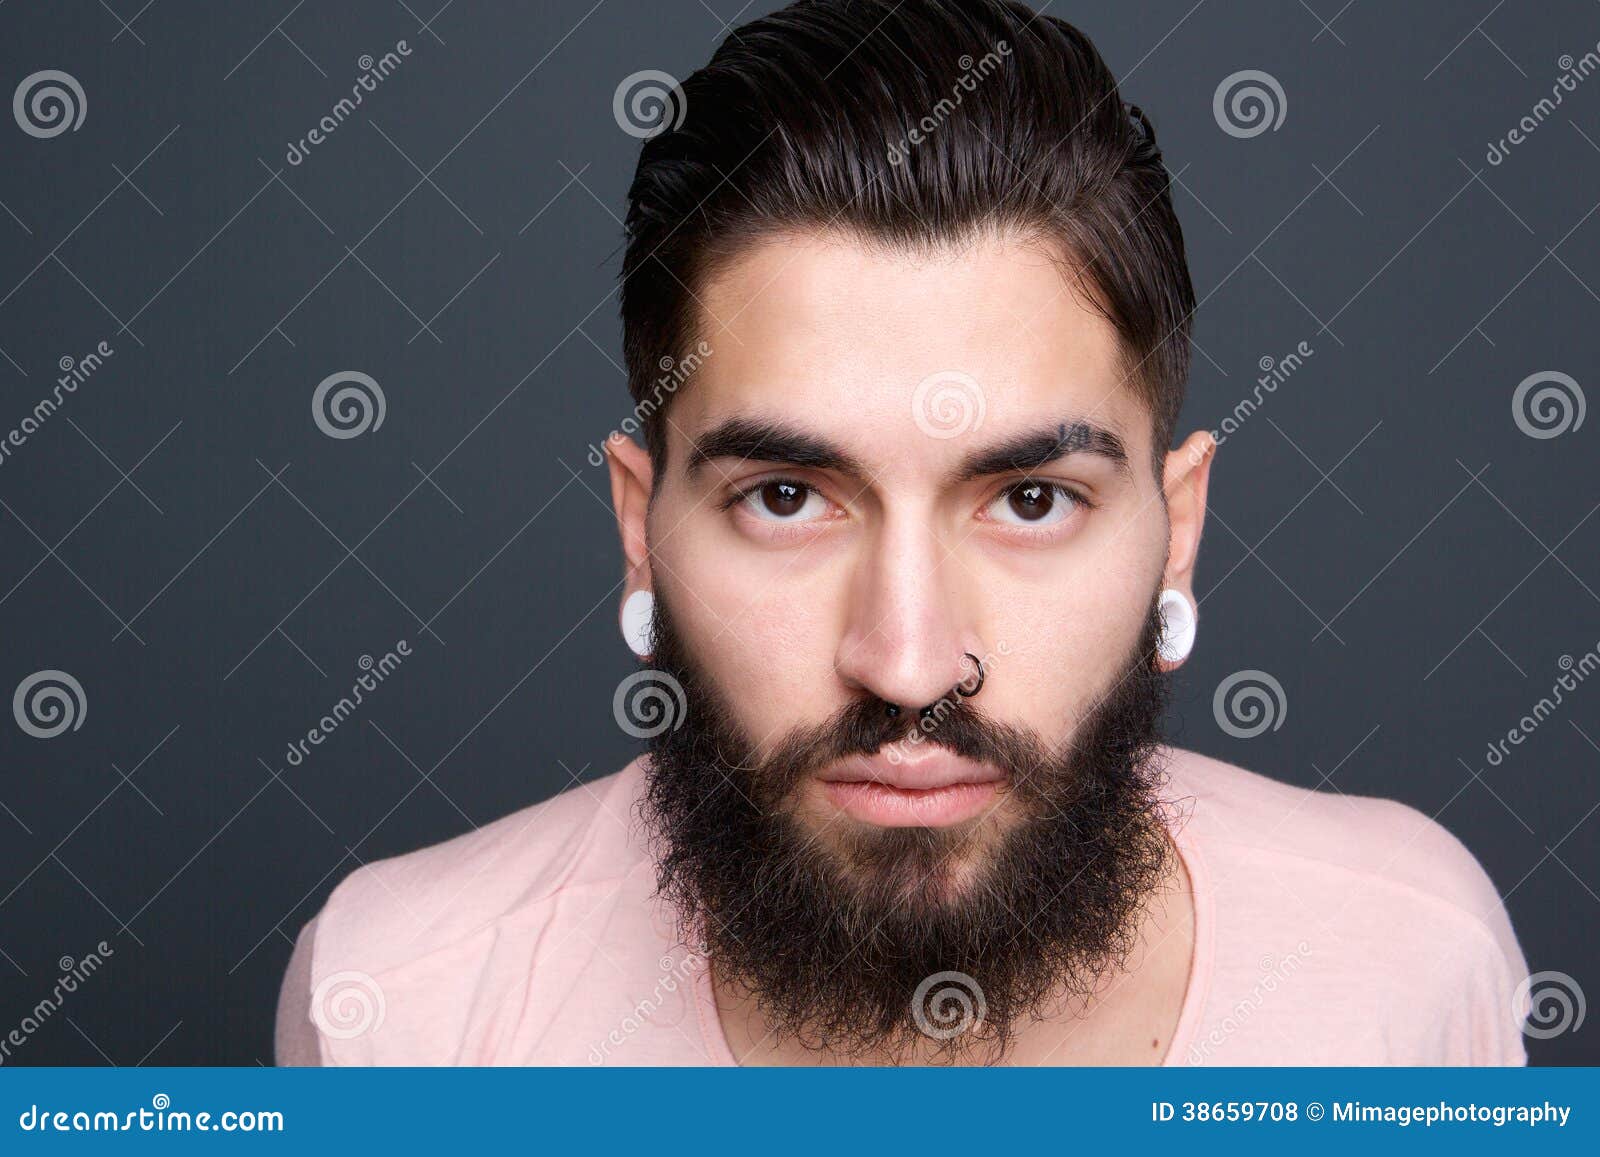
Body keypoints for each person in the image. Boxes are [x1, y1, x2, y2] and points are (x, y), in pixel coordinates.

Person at [276, 0, 1528, 1066]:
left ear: (1176, 530)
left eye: (1030, 499)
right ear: (641, 530)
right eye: (785, 496)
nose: (909, 663)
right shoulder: (398, 1009)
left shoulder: (1410, 967)